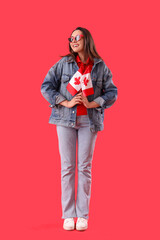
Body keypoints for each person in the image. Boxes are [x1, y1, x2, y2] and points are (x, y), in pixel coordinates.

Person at [40, 27, 118, 231]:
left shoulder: (100, 66)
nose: (73, 41)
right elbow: (46, 86)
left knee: (84, 167)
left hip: (89, 122)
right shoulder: (63, 64)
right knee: (67, 167)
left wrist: (94, 103)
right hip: (65, 121)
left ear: (87, 40)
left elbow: (112, 91)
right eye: (71, 38)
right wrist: (64, 102)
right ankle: (68, 215)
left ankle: (82, 215)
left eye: (77, 37)